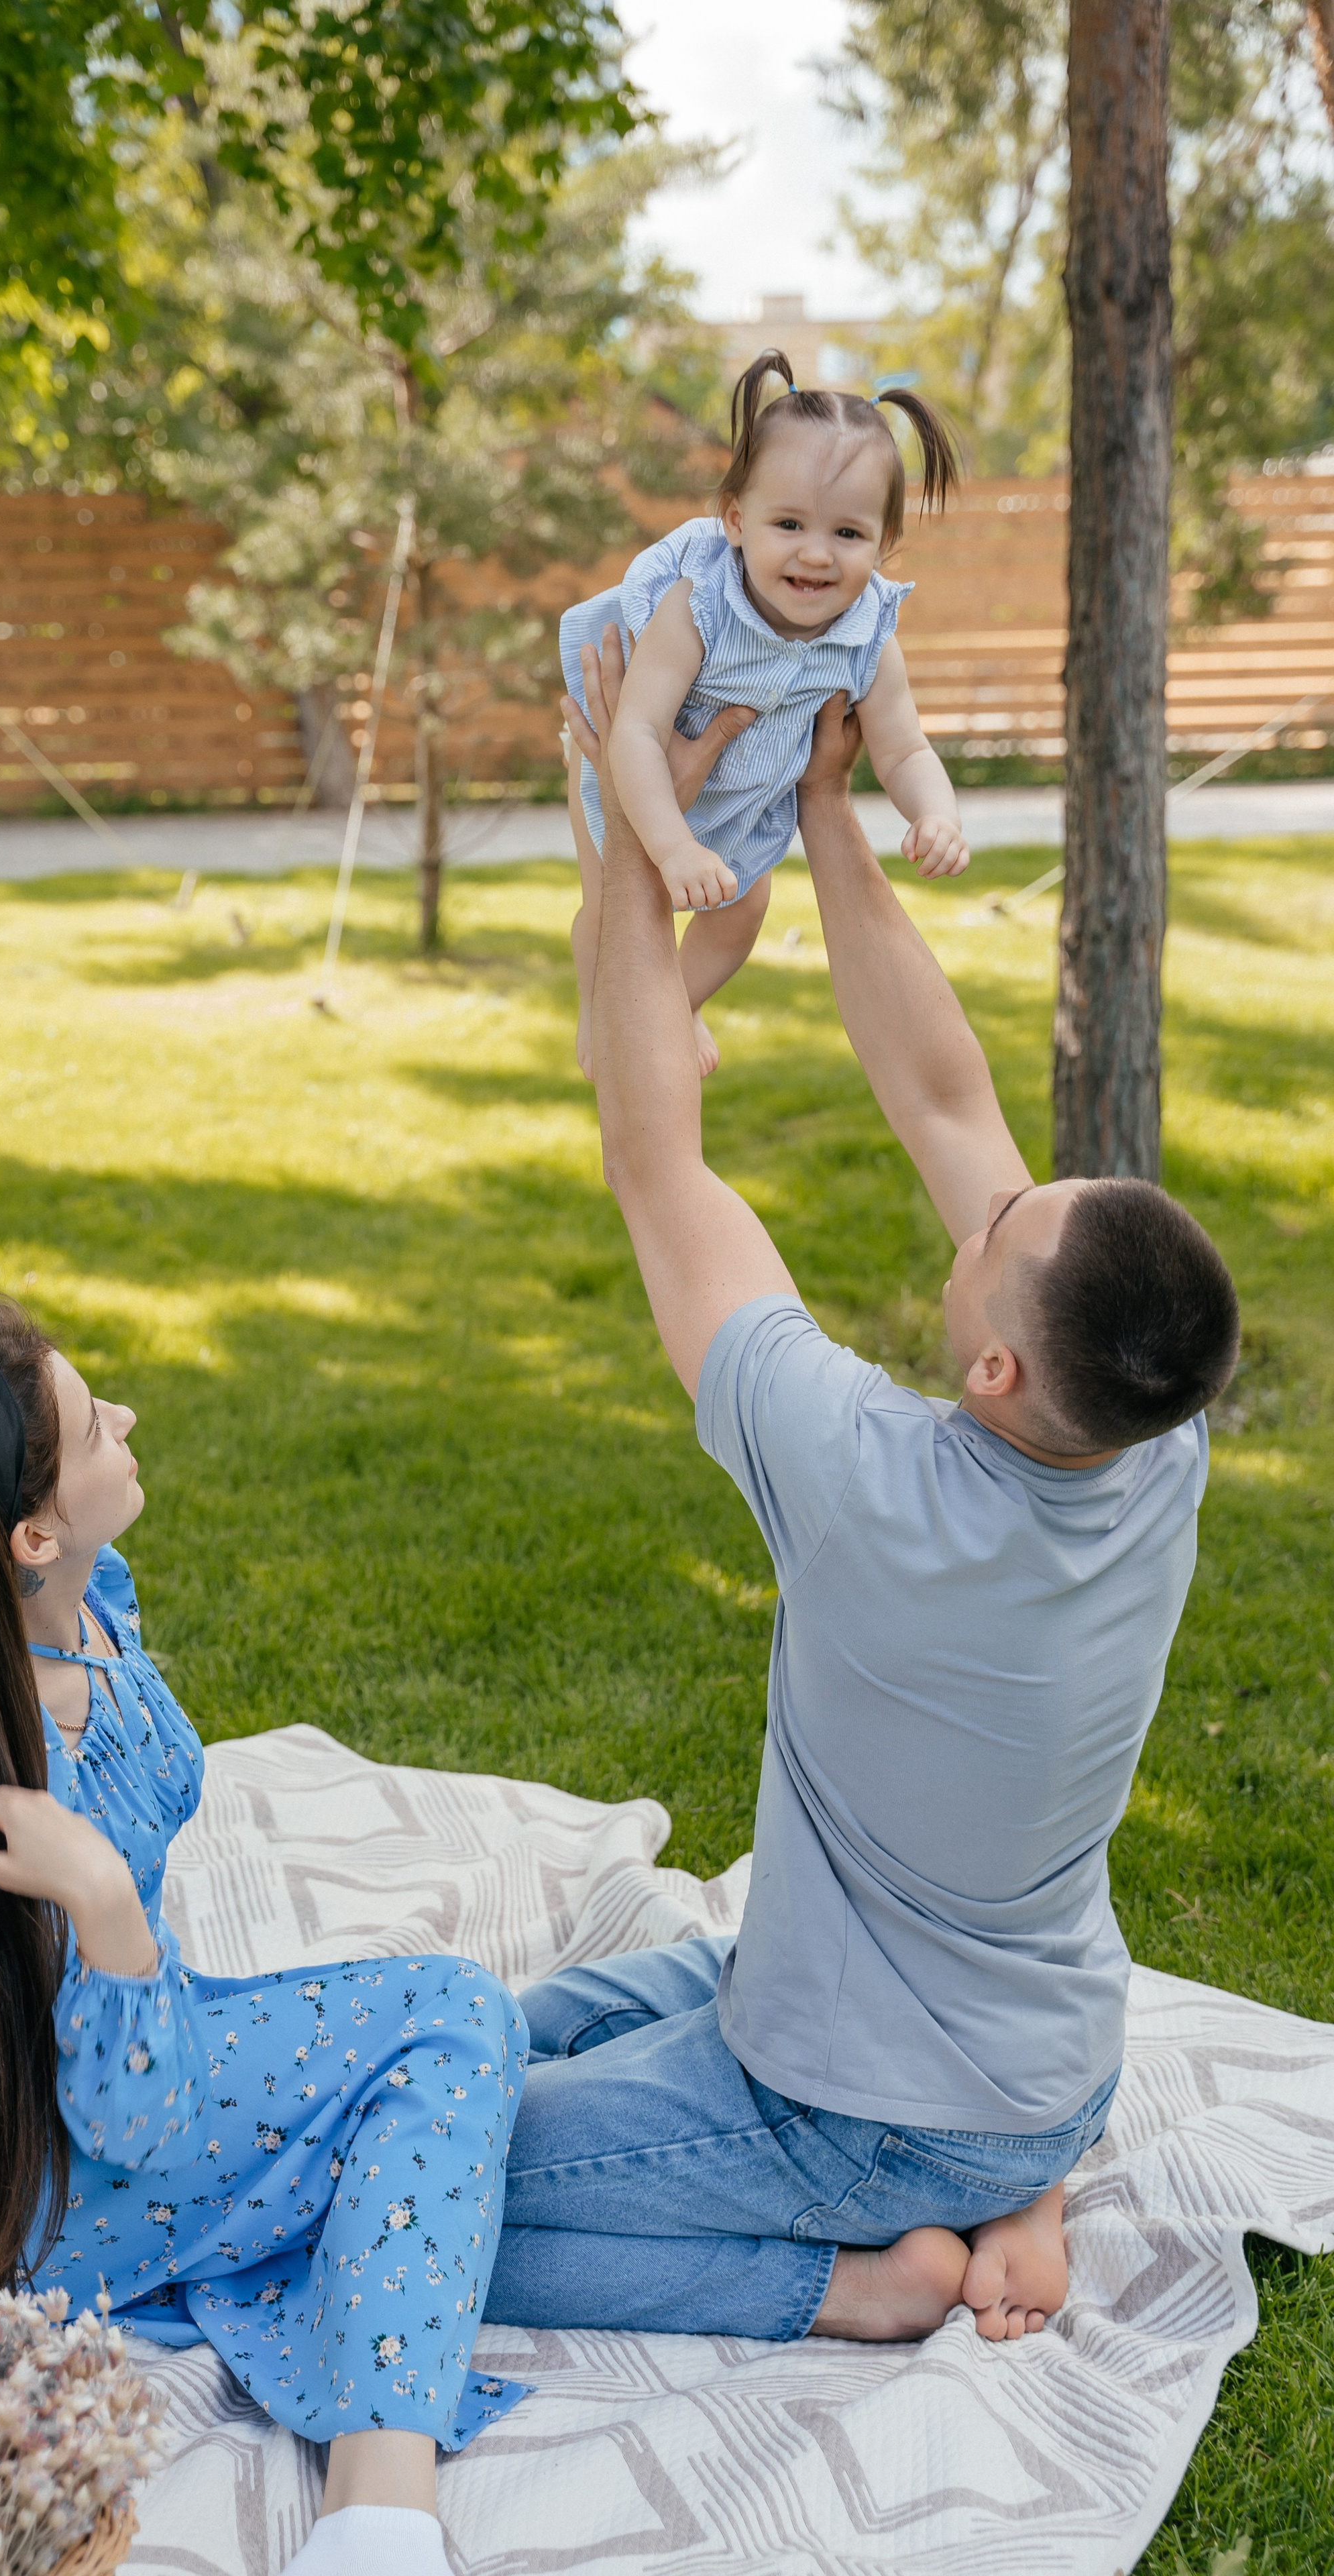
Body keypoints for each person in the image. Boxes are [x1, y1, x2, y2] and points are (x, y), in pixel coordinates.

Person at [485, 629, 1239, 2349]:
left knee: (411, 2165)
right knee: (497, 2022)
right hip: (1046, 2069)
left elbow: (649, 1155)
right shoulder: (1148, 1437)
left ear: (991, 1365)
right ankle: (1016, 2182)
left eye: (994, 1229)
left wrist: (623, 824)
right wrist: (825, 807)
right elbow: (944, 1089)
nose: (982, 1203)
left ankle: (848, 2281)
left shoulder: (857, 1479)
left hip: (850, 2112)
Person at [0, 1301, 526, 2576]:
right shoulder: (19, 1784)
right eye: (92, 1426)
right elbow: (139, 2120)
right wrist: (114, 1915)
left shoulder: (42, 1607)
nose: (124, 1418)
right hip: (64, 2151)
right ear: (29, 1533)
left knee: (458, 2104)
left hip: (26, 2113)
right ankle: (378, 2513)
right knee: (456, 2019)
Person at [560, 350, 971, 1081]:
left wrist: (935, 814)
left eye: (848, 535)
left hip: (742, 811)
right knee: (616, 908)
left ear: (883, 546)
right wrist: (671, 849)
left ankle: (672, 1007)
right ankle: (602, 1011)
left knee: (743, 915)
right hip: (630, 778)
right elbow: (638, 730)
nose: (816, 555)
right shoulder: (699, 606)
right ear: (735, 520)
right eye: (789, 524)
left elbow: (904, 749)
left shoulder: (869, 634)